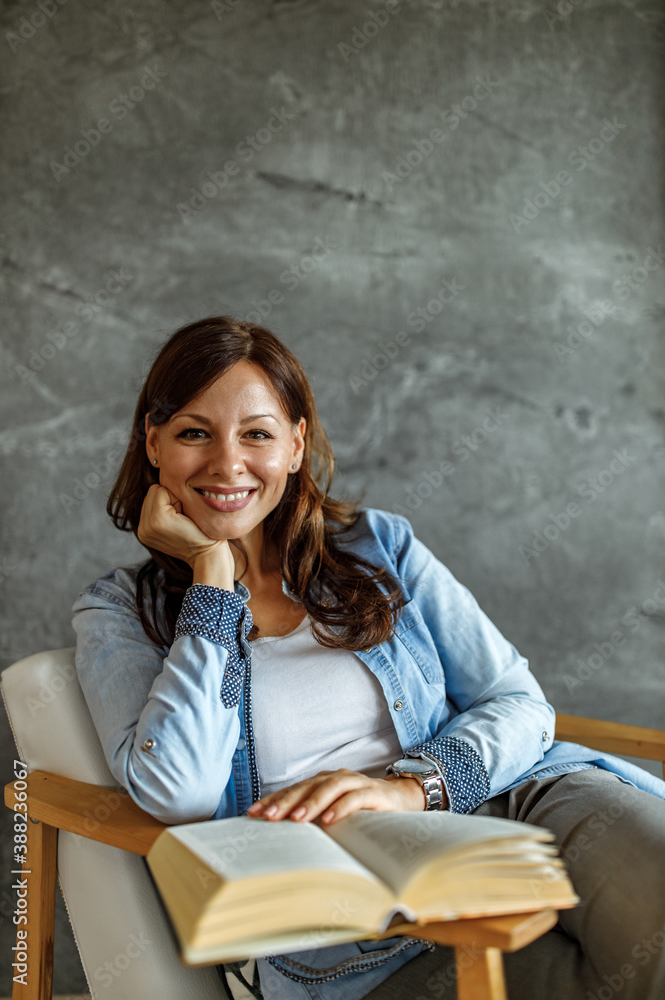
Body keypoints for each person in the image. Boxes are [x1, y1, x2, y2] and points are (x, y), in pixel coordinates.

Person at [73, 317, 665, 1000]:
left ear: (295, 446)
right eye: (194, 432)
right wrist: (212, 578)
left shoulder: (377, 546)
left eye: (257, 434)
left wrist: (410, 788)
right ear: (154, 443)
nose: (227, 464)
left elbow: (517, 702)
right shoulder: (118, 612)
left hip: (514, 802)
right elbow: (178, 792)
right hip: (358, 926)